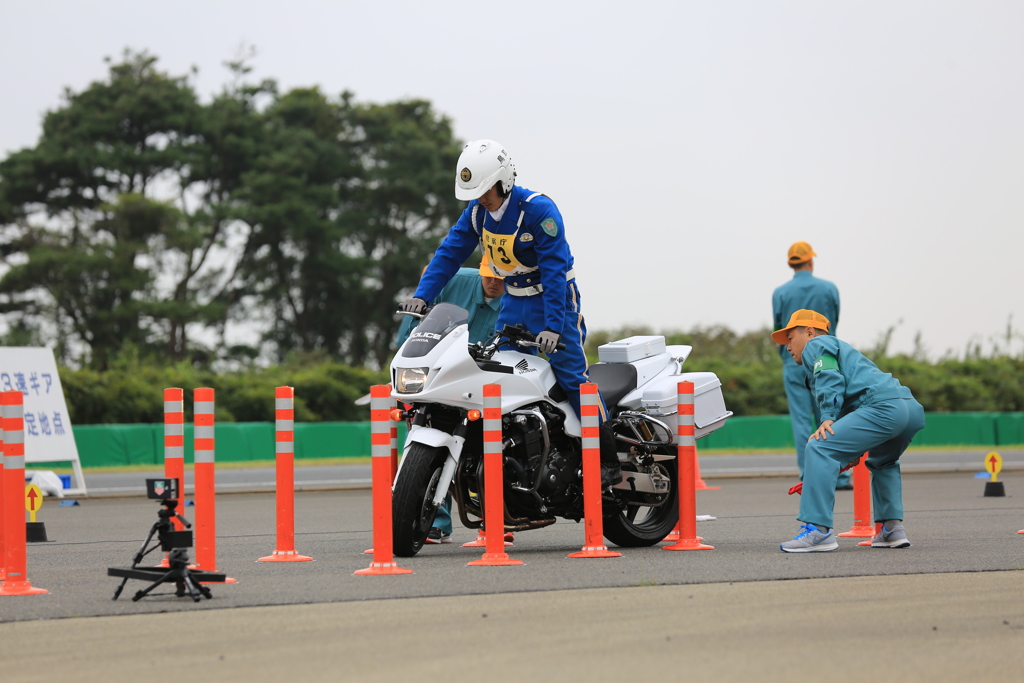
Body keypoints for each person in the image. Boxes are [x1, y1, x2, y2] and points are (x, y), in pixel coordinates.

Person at [400, 139, 622, 488]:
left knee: (572, 377)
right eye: (473, 192)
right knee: (506, 375)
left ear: (504, 181)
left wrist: (553, 326)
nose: (479, 198)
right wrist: (422, 295)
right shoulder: (476, 213)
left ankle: (607, 460)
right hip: (514, 301)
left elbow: (553, 270)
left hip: (556, 300)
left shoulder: (538, 211)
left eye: (485, 190)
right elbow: (449, 253)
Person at [771, 310, 925, 553]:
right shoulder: (844, 350)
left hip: (881, 407)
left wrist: (828, 417)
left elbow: (828, 376)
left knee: (819, 447)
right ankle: (891, 530)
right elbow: (851, 393)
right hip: (908, 408)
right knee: (883, 462)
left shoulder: (817, 344)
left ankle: (819, 532)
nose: (787, 347)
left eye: (790, 339)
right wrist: (851, 445)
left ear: (809, 331)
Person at [395, 256, 504, 544]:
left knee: (491, 446)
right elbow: (412, 328)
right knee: (425, 442)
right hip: (441, 376)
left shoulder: (522, 295)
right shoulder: (453, 278)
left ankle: (494, 520)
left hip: (488, 382)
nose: (494, 281)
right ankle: (434, 523)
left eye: (502, 277)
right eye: (488, 275)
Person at [771, 241, 850, 489]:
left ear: (790, 263)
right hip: (827, 358)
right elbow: (832, 322)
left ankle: (810, 474)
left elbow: (779, 327)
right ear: (811, 261)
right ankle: (841, 474)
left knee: (801, 420)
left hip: (793, 361)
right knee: (831, 413)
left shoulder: (780, 293)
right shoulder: (829, 289)